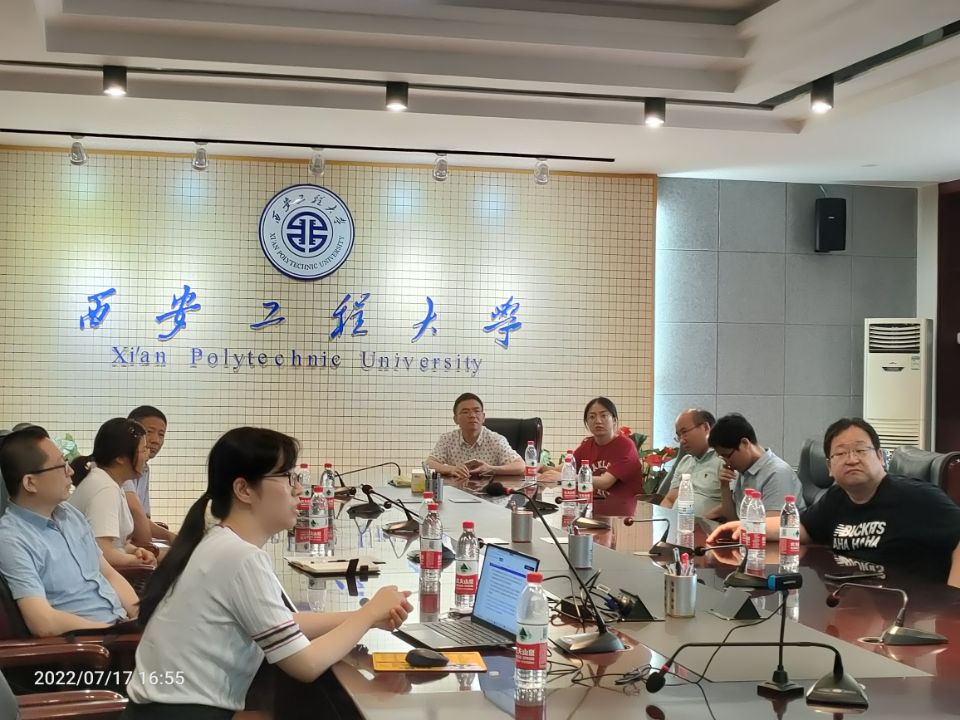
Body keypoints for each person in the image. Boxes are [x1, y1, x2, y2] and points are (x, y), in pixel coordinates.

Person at [124, 427, 413, 720]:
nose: (298, 489)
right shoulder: (240, 557)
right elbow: (306, 665)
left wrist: (366, 617)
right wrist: (369, 613)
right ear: (244, 490)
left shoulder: (221, 542)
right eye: (288, 477)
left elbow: (283, 623)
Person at [707, 418, 960, 586]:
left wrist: (953, 602)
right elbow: (803, 529)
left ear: (880, 457)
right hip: (857, 599)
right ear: (829, 466)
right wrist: (749, 527)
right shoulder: (836, 499)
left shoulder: (915, 497)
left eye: (860, 450)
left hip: (911, 611)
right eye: (841, 453)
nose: (851, 459)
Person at [0, 426, 140, 636]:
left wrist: (140, 618)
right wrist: (113, 632)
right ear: (30, 482)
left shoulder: (69, 515)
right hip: (87, 647)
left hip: (119, 630)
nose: (71, 472)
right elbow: (43, 622)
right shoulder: (12, 539)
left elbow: (108, 574)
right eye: (61, 466)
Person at [68, 418, 157, 569]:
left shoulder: (111, 483)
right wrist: (137, 562)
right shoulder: (105, 489)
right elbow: (103, 553)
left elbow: (117, 544)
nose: (147, 456)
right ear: (120, 458)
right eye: (143, 450)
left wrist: (135, 551)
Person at [541, 397, 644, 516]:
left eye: (604, 416)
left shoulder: (625, 446)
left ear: (614, 420)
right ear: (587, 422)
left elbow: (605, 482)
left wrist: (566, 477)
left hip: (621, 517)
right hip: (591, 513)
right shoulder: (587, 445)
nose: (598, 421)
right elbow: (563, 469)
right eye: (592, 417)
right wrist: (539, 467)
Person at [708, 413, 804, 518]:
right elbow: (732, 519)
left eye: (727, 456)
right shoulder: (743, 470)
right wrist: (724, 486)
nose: (727, 462)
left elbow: (773, 524)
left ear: (745, 443)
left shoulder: (777, 474)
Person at [426, 393, 524, 479]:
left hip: (488, 492)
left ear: (483, 417)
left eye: (476, 411)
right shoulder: (447, 439)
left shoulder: (496, 440)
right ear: (455, 419)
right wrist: (452, 469)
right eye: (465, 412)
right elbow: (429, 463)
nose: (472, 415)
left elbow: (520, 466)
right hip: (456, 490)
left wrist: (491, 469)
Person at [125, 406, 176, 546]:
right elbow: (136, 513)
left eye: (161, 434)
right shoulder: (120, 466)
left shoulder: (145, 469)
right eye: (149, 432)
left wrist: (171, 537)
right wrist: (151, 548)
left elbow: (144, 517)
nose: (156, 440)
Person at [661, 409, 723, 518]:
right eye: (679, 436)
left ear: (705, 428)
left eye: (684, 432)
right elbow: (669, 500)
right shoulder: (685, 461)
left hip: (706, 526)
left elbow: (732, 504)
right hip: (676, 523)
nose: (681, 440)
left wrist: (702, 521)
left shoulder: (724, 460)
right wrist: (661, 519)